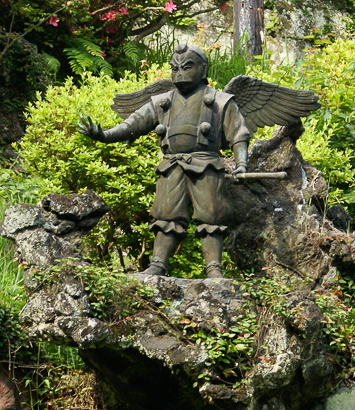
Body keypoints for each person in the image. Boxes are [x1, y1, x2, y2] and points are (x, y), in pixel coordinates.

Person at [77, 44, 248, 278]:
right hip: (171, 166)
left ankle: (214, 268)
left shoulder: (220, 101)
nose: (179, 73)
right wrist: (103, 135)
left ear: (203, 69)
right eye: (174, 68)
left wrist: (241, 164)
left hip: (206, 164)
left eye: (187, 67)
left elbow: (238, 135)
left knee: (212, 215)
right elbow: (132, 125)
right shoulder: (161, 102)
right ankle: (157, 264)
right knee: (166, 214)